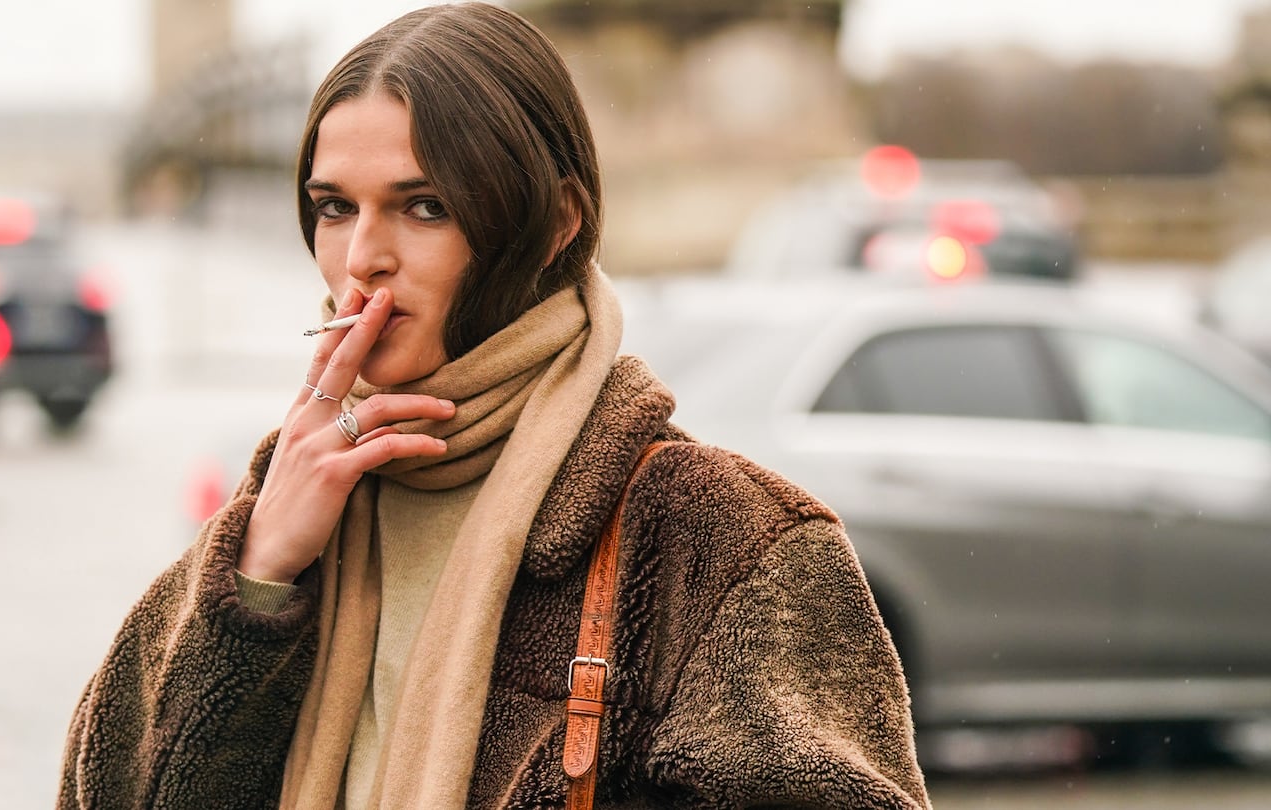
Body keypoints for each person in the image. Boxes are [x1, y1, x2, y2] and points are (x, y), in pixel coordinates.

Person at [57, 4, 930, 808]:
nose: (362, 258)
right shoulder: (286, 494)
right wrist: (259, 575)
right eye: (333, 208)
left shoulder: (720, 538)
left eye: (424, 207)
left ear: (555, 222)